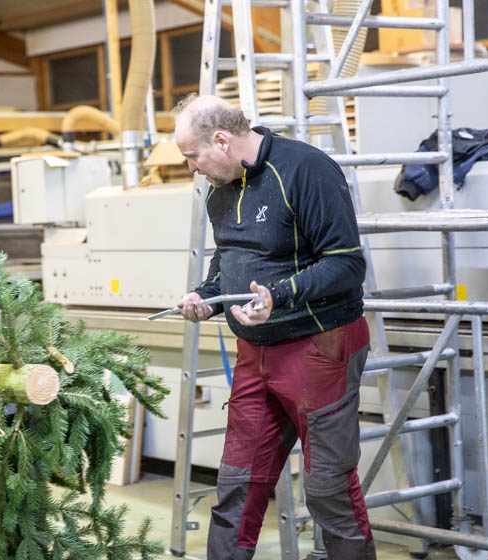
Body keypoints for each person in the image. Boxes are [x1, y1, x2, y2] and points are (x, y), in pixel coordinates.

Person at [173, 94, 375, 560]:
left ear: (221, 141)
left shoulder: (306, 170)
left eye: (192, 155)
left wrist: (278, 295)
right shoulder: (221, 189)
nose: (192, 168)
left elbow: (346, 266)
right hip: (256, 353)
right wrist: (206, 296)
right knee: (237, 482)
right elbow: (230, 263)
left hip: (319, 347)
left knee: (328, 487)